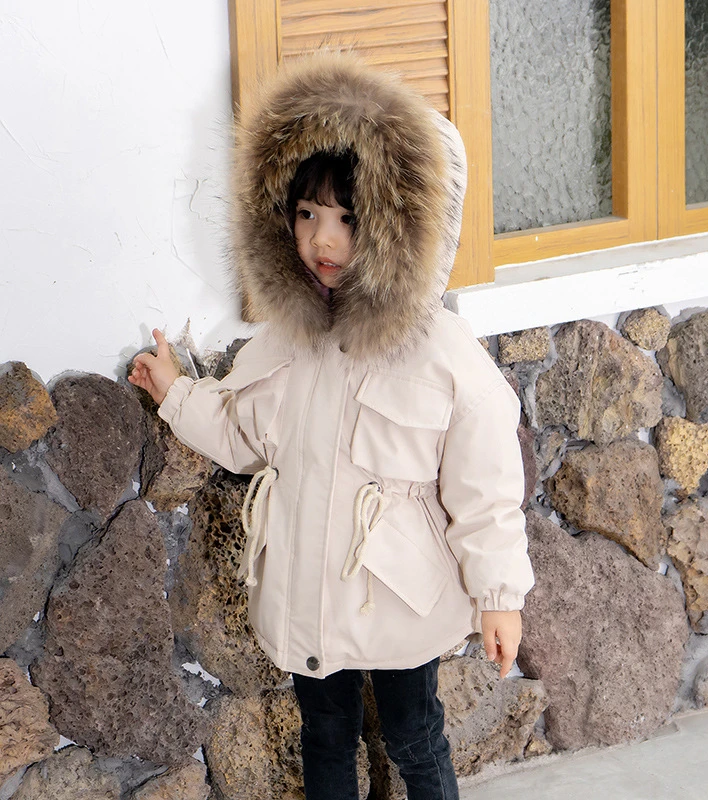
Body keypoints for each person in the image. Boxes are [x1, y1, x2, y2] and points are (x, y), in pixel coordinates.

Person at [129, 52, 534, 800]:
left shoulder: (443, 355)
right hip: (307, 587)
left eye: (348, 219)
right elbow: (241, 432)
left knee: (414, 735)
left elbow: (485, 491)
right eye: (308, 214)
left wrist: (499, 594)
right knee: (324, 733)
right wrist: (176, 392)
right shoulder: (289, 339)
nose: (324, 240)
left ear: (397, 228)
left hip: (401, 596)